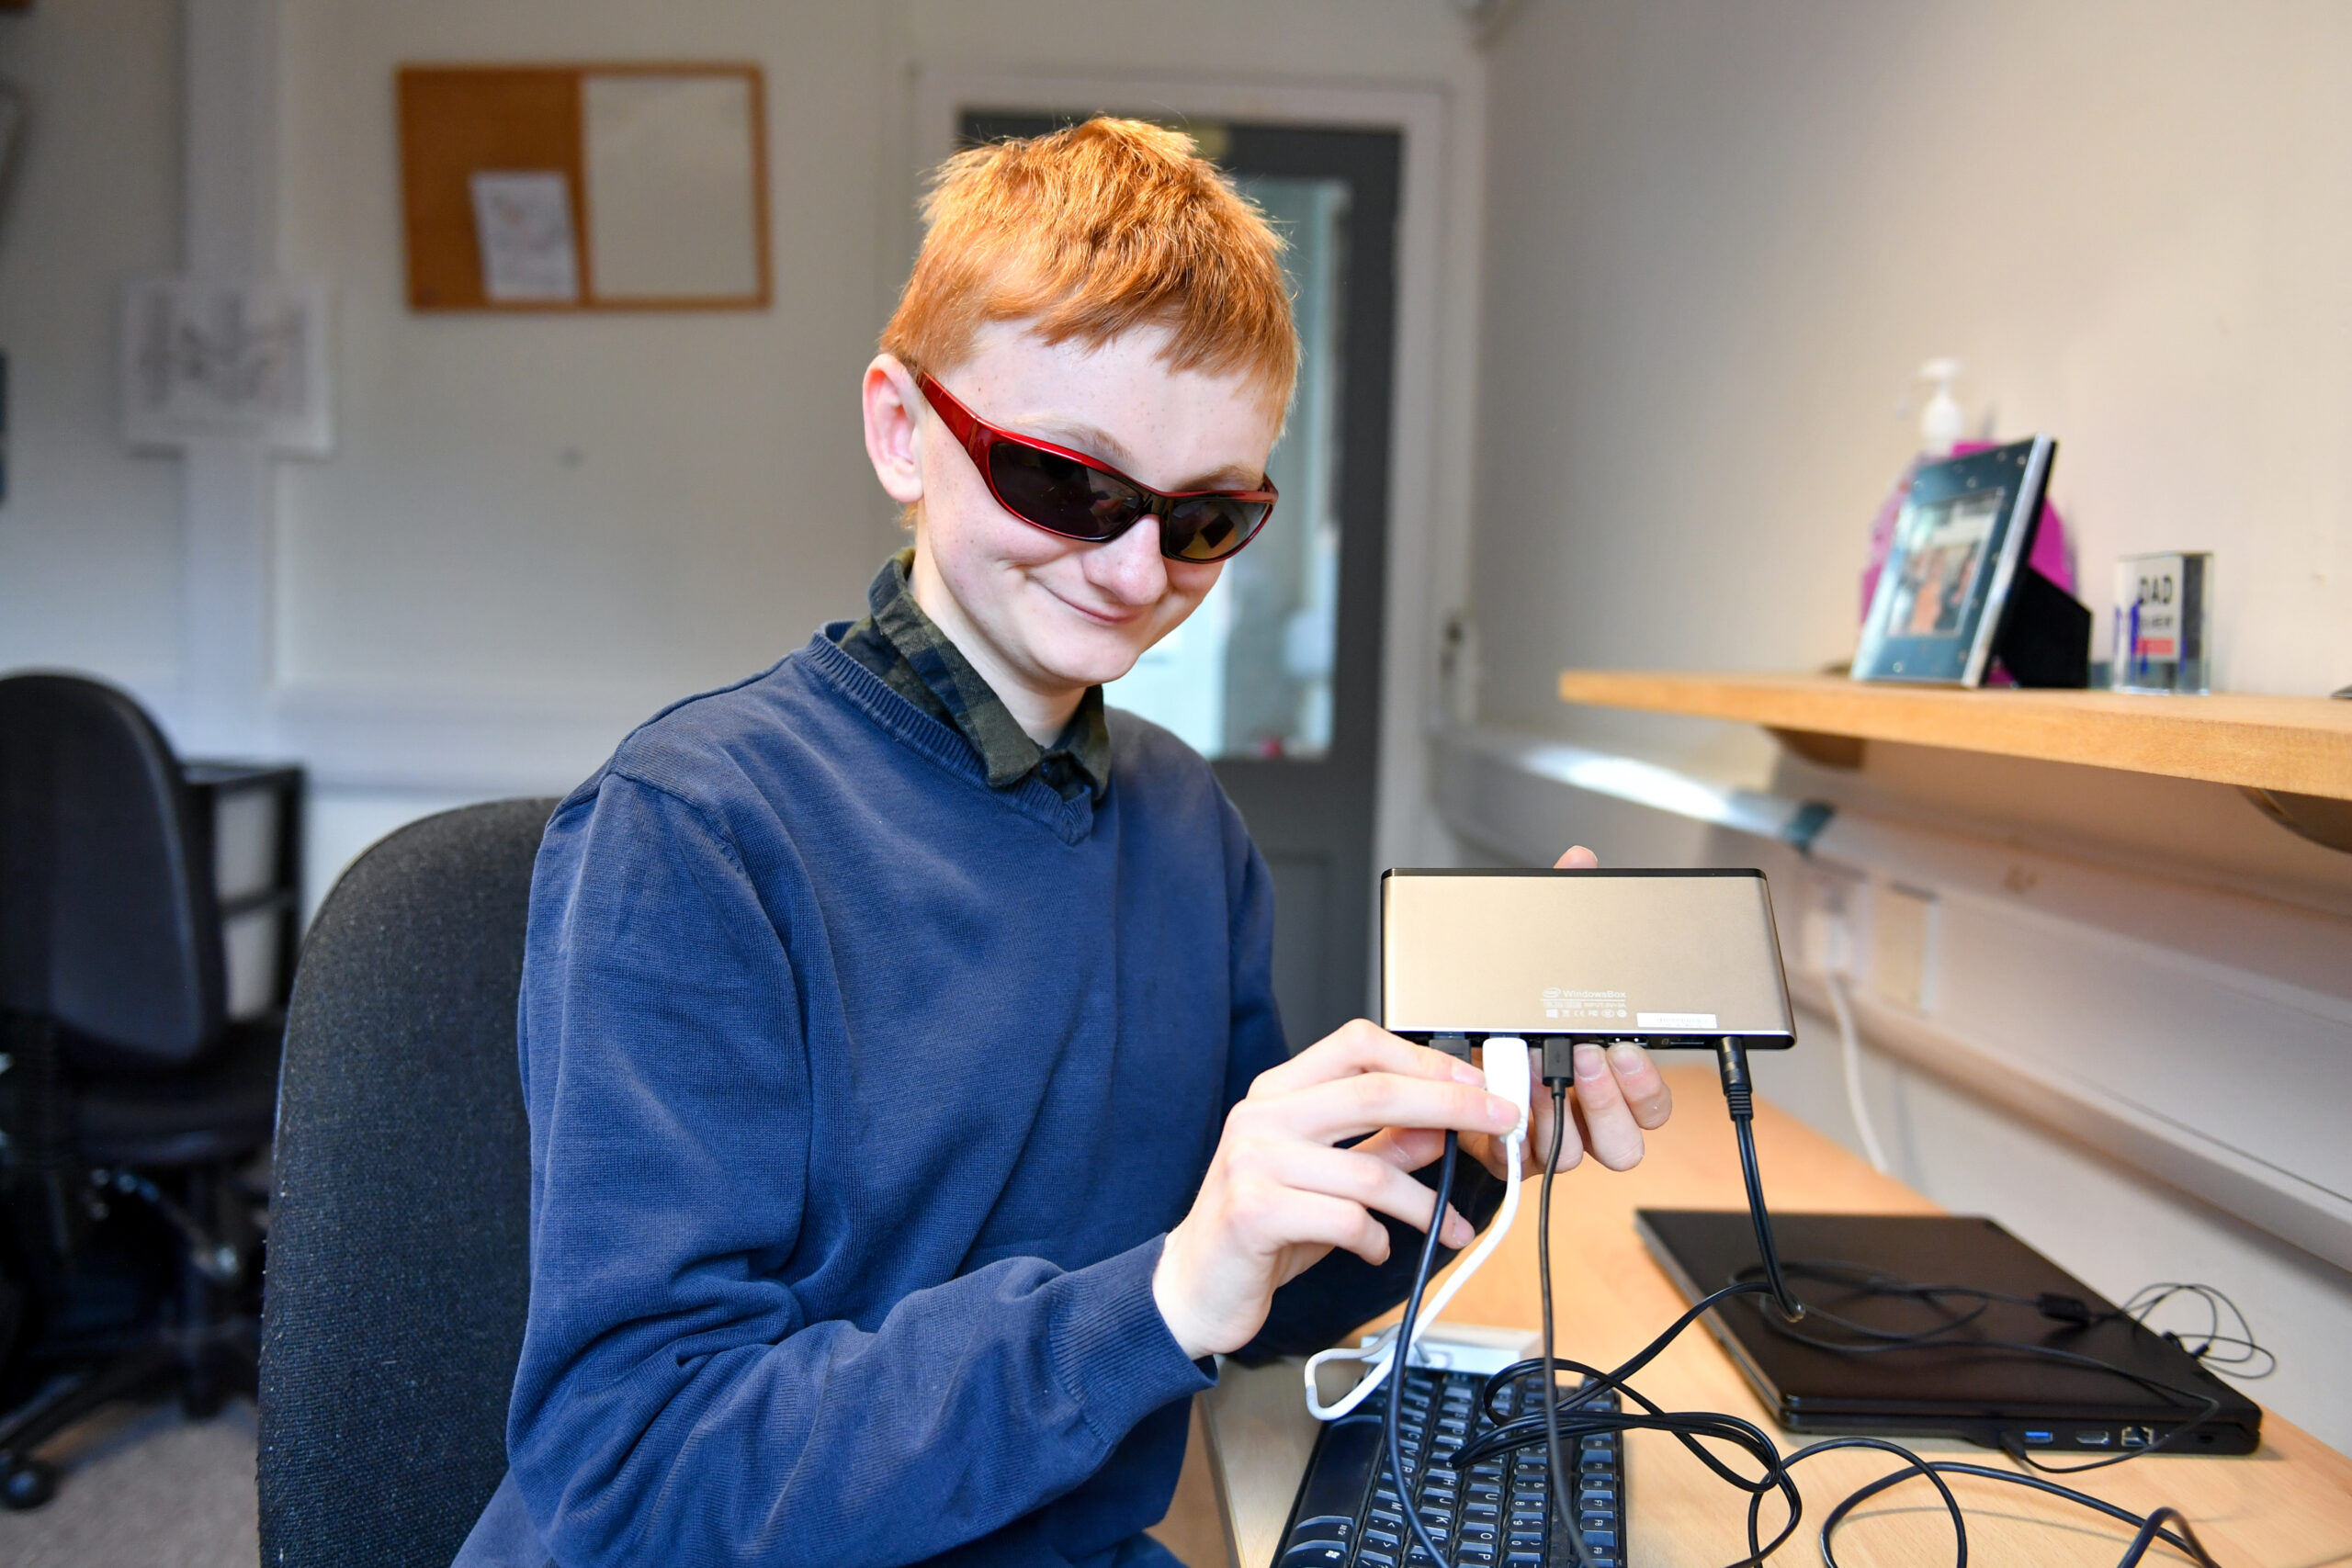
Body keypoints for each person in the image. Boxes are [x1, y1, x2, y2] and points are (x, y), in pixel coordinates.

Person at [452, 118, 1673, 1568]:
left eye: (1207, 515)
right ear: (903, 429)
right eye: (1065, 481)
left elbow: (1242, 1281)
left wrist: (1460, 1140)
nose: (1136, 567)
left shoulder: (1181, 825)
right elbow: (636, 1477)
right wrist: (1158, 1297)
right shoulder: (692, 835)